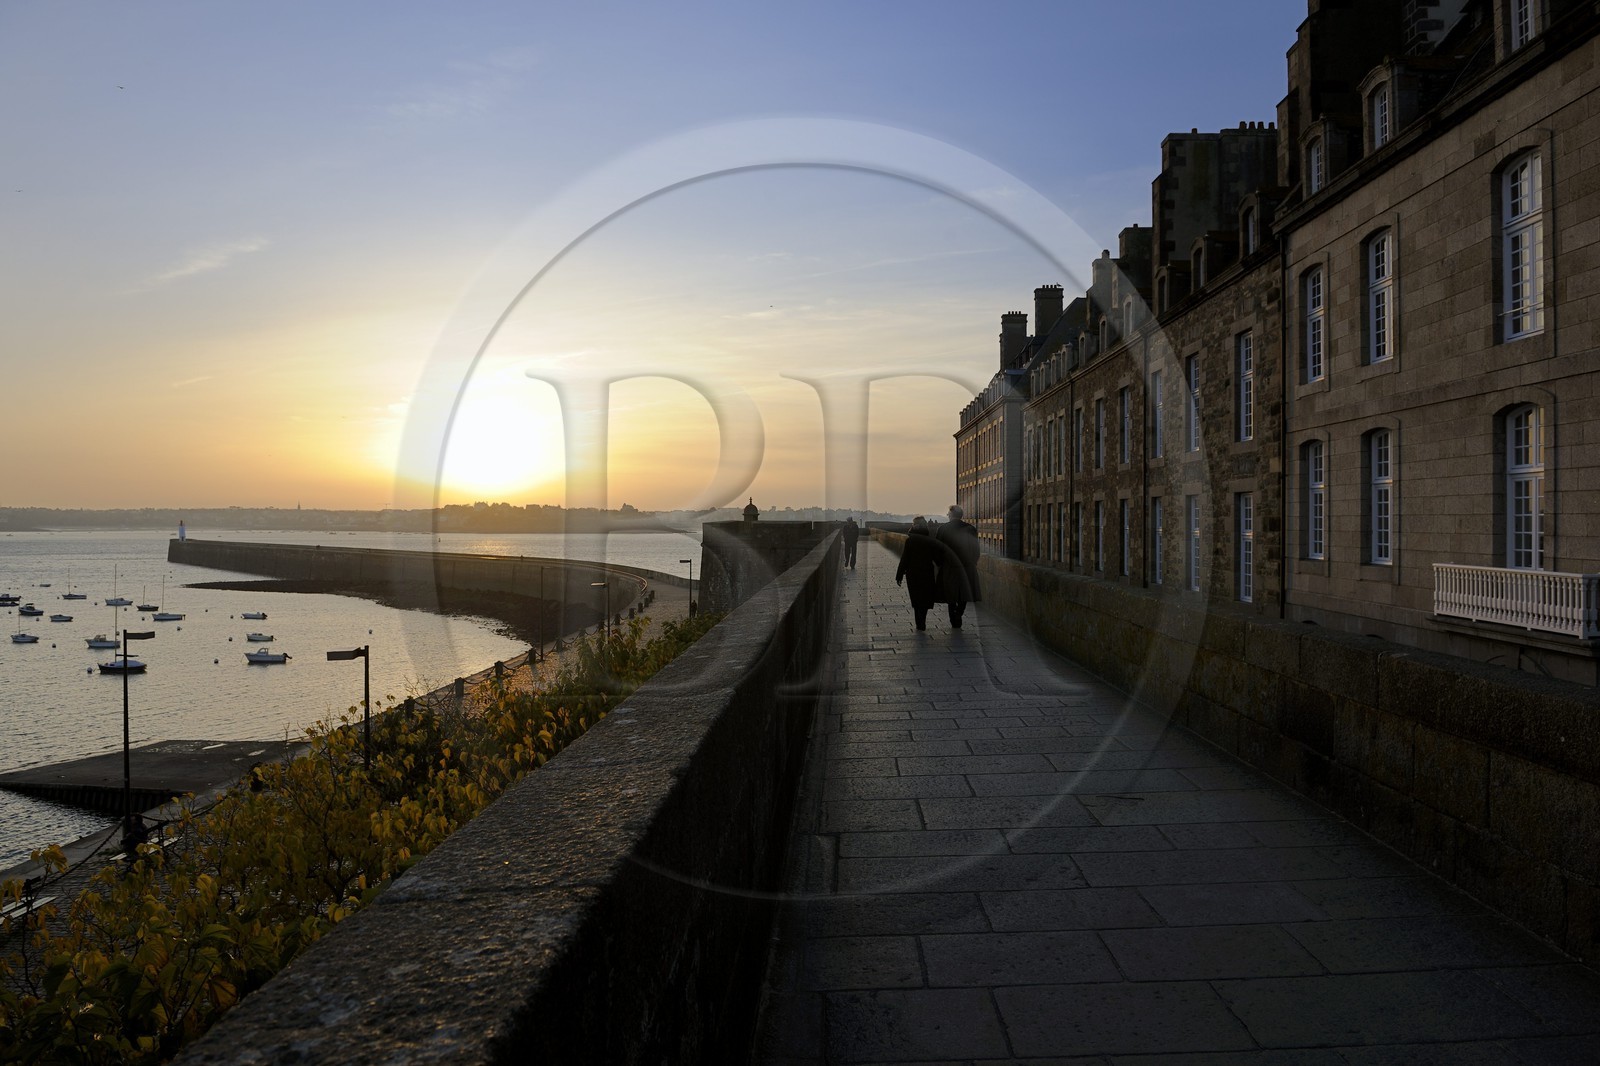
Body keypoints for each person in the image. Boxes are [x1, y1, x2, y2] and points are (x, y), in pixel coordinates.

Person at [935, 503, 981, 629]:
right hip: (966, 566)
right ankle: (959, 612)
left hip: (949, 566)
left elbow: (938, 549)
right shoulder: (970, 529)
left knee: (951, 594)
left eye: (948, 514)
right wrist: (973, 561)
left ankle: (954, 618)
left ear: (951, 515)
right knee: (964, 593)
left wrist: (940, 563)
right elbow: (976, 549)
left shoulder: (943, 529)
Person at [894, 517, 940, 631]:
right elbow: (937, 558)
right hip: (927, 573)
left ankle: (919, 622)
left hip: (913, 573)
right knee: (925, 598)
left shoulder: (910, 540)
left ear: (915, 526)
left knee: (916, 598)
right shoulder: (929, 539)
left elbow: (904, 559)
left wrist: (899, 574)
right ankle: (922, 620)